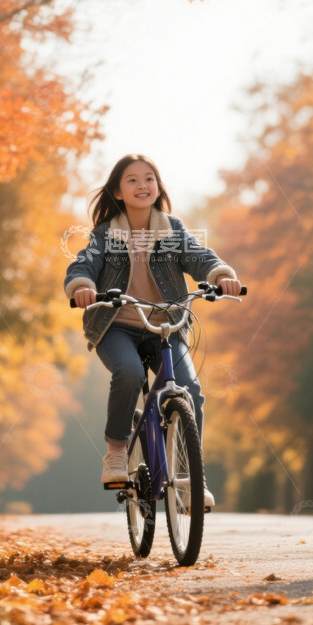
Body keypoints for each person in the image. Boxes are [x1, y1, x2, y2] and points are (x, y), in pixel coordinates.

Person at [63, 154, 243, 505]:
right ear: (118, 190)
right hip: (118, 327)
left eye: (149, 178)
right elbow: (84, 262)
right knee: (129, 372)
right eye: (132, 180)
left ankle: (191, 479)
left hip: (166, 327)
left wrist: (221, 275)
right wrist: (82, 285)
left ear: (158, 187)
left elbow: (198, 256)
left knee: (188, 389)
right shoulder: (106, 234)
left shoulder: (171, 229)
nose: (142, 185)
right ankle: (117, 451)